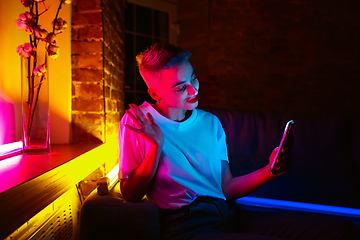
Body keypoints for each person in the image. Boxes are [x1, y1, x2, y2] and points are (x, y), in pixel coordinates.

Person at [118, 43, 360, 240]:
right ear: (155, 93)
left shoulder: (210, 122)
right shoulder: (138, 121)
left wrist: (270, 171)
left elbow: (226, 188)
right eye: (181, 87)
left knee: (340, 231)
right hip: (187, 226)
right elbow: (130, 194)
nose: (193, 91)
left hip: (228, 214)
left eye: (193, 79)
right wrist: (155, 147)